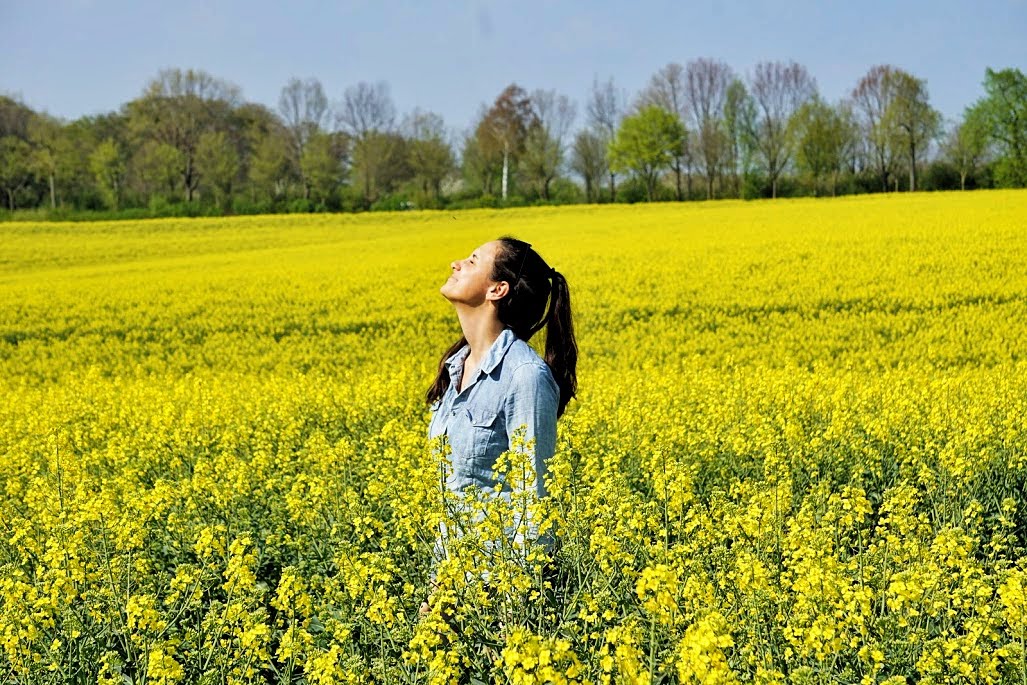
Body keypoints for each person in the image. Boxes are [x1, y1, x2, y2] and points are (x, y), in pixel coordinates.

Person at [422, 236, 577, 613]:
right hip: (449, 581)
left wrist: (516, 610)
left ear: (498, 289)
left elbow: (534, 498)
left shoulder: (525, 376)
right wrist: (438, 588)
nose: (456, 263)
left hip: (499, 591)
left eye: (472, 261)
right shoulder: (455, 367)